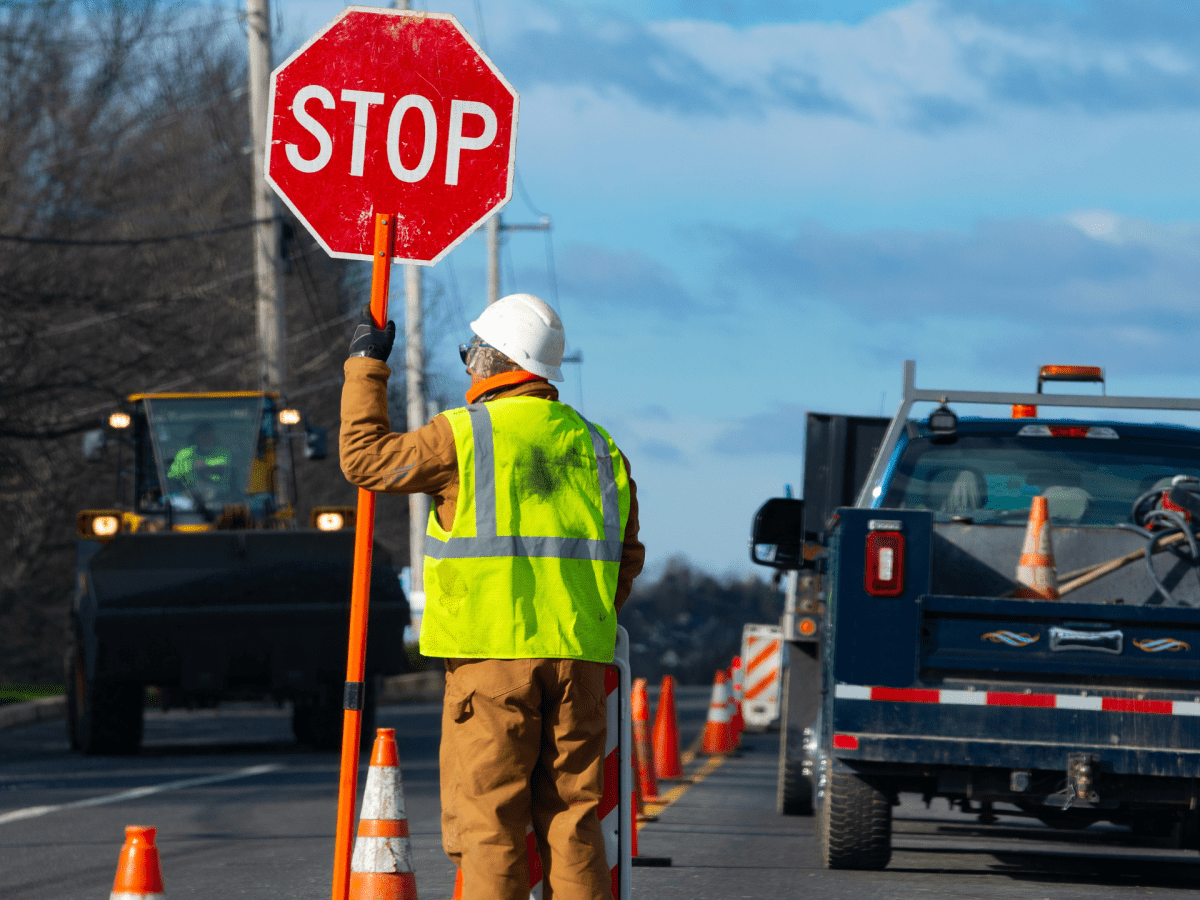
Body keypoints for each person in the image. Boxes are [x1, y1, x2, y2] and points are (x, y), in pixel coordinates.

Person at [340, 294, 644, 900]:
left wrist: (365, 368)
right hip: (580, 660)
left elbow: (364, 461)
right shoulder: (600, 448)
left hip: (489, 662)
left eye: (469, 353)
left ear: (490, 359)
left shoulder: (462, 436)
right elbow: (625, 560)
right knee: (574, 823)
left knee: (490, 827)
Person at [168, 422, 231, 490]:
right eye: (202, 433)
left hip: (220, 496)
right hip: (191, 496)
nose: (205, 436)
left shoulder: (223, 453)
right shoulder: (184, 454)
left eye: (208, 433)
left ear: (214, 435)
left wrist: (205, 466)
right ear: (196, 436)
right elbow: (172, 478)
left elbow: (224, 470)